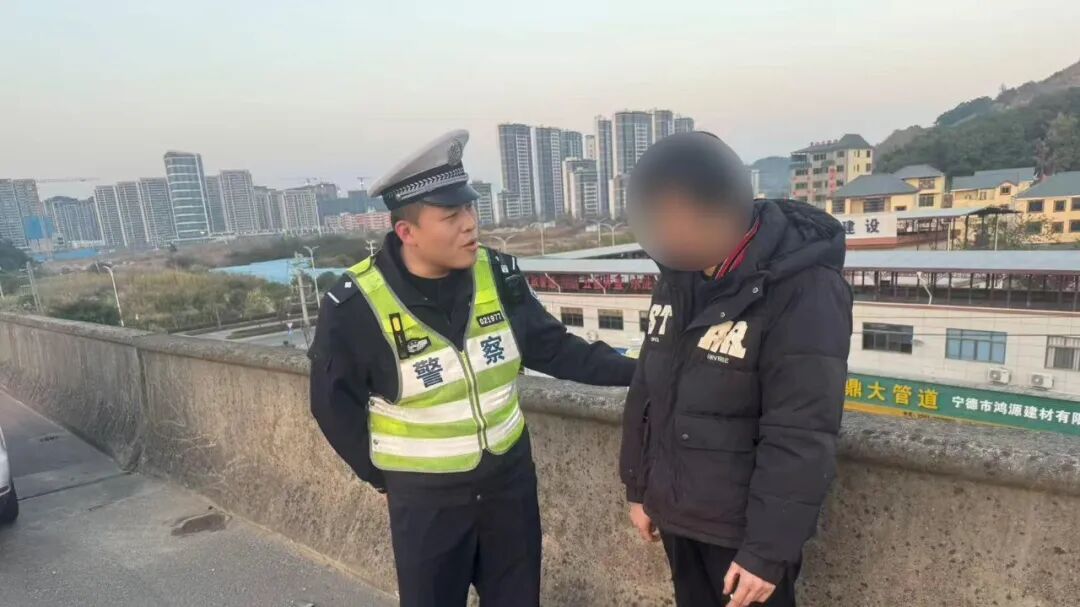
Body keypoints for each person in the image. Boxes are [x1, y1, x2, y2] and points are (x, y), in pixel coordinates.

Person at [309, 129, 635, 607]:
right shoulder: (356, 304)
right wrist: (384, 477)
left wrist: (645, 371)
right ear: (407, 233)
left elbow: (555, 349)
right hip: (426, 503)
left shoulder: (496, 275)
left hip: (509, 488)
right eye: (451, 216)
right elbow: (332, 404)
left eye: (469, 209)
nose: (470, 225)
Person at [618, 132, 853, 607]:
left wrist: (767, 551)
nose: (670, 232)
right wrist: (639, 489)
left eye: (682, 215)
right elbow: (648, 389)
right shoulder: (679, 274)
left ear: (722, 206)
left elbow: (801, 428)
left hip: (742, 533)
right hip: (681, 516)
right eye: (660, 217)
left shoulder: (803, 286)